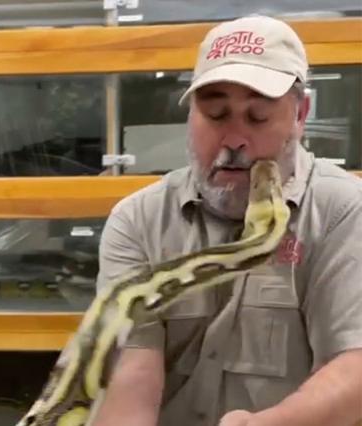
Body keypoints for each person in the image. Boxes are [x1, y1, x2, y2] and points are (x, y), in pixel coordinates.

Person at [92, 15, 362, 426]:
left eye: (258, 117)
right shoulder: (139, 220)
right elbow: (130, 372)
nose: (234, 140)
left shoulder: (344, 212)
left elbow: (354, 368)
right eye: (216, 115)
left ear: (300, 113)